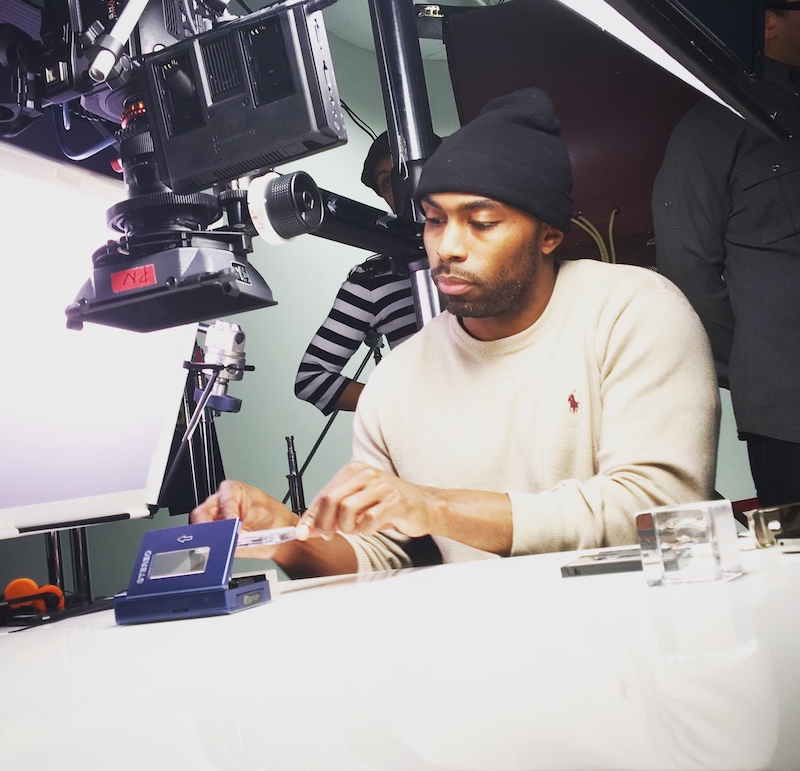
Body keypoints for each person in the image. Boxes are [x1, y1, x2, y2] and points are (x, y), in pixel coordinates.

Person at [193, 87, 719, 578]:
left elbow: (657, 510)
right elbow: (382, 552)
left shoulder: (633, 311)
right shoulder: (398, 378)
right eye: (434, 220)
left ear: (549, 235)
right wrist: (284, 537)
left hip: (632, 640)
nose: (448, 247)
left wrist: (435, 505)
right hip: (485, 654)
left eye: (482, 221)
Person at [652, 0, 800, 508]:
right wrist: (757, 362)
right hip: (792, 417)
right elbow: (685, 269)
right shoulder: (716, 126)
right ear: (769, 21)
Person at [293, 132, 419, 414]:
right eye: (388, 181)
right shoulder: (373, 279)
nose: (401, 187)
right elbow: (312, 380)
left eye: (407, 171)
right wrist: (410, 406)